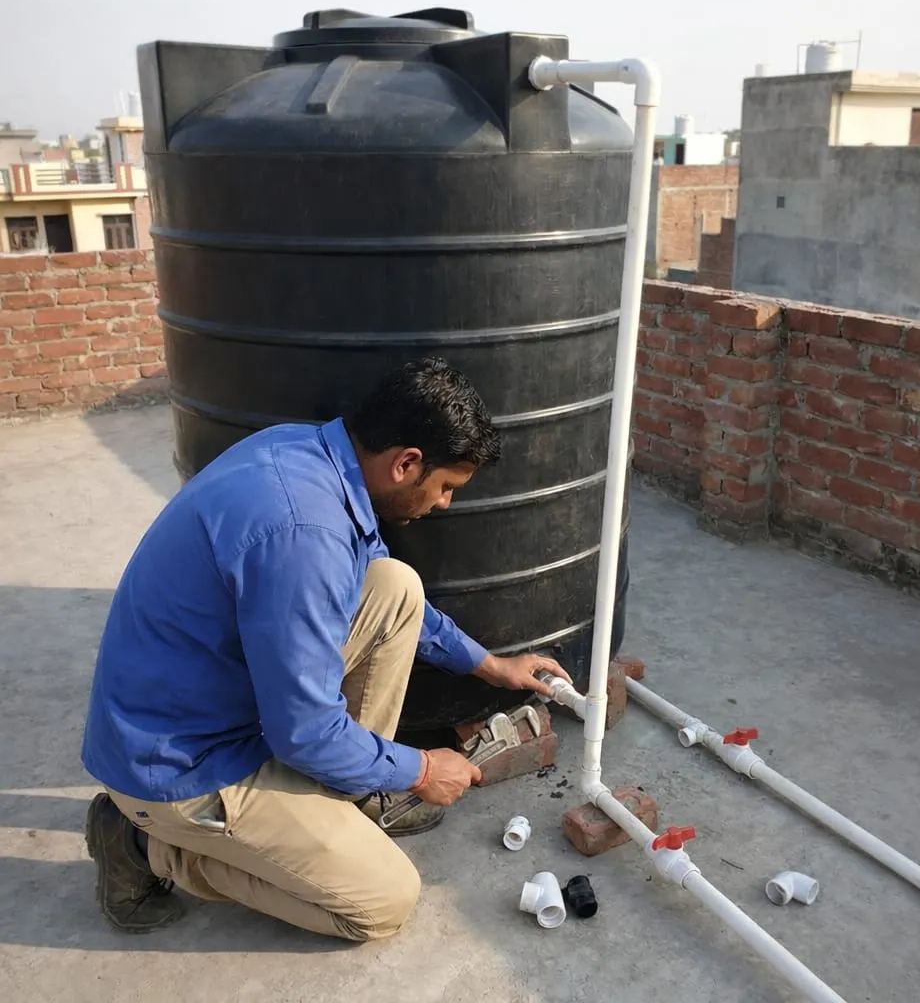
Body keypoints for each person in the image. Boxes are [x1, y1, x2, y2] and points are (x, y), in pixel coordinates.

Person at [81, 357, 571, 941]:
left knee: (395, 587)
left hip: (206, 698)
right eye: (445, 487)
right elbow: (304, 730)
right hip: (179, 763)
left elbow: (375, 587)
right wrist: (420, 770)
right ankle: (142, 845)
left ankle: (345, 795)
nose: (444, 503)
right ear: (406, 463)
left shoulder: (308, 456)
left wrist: (491, 666)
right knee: (383, 901)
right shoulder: (304, 535)